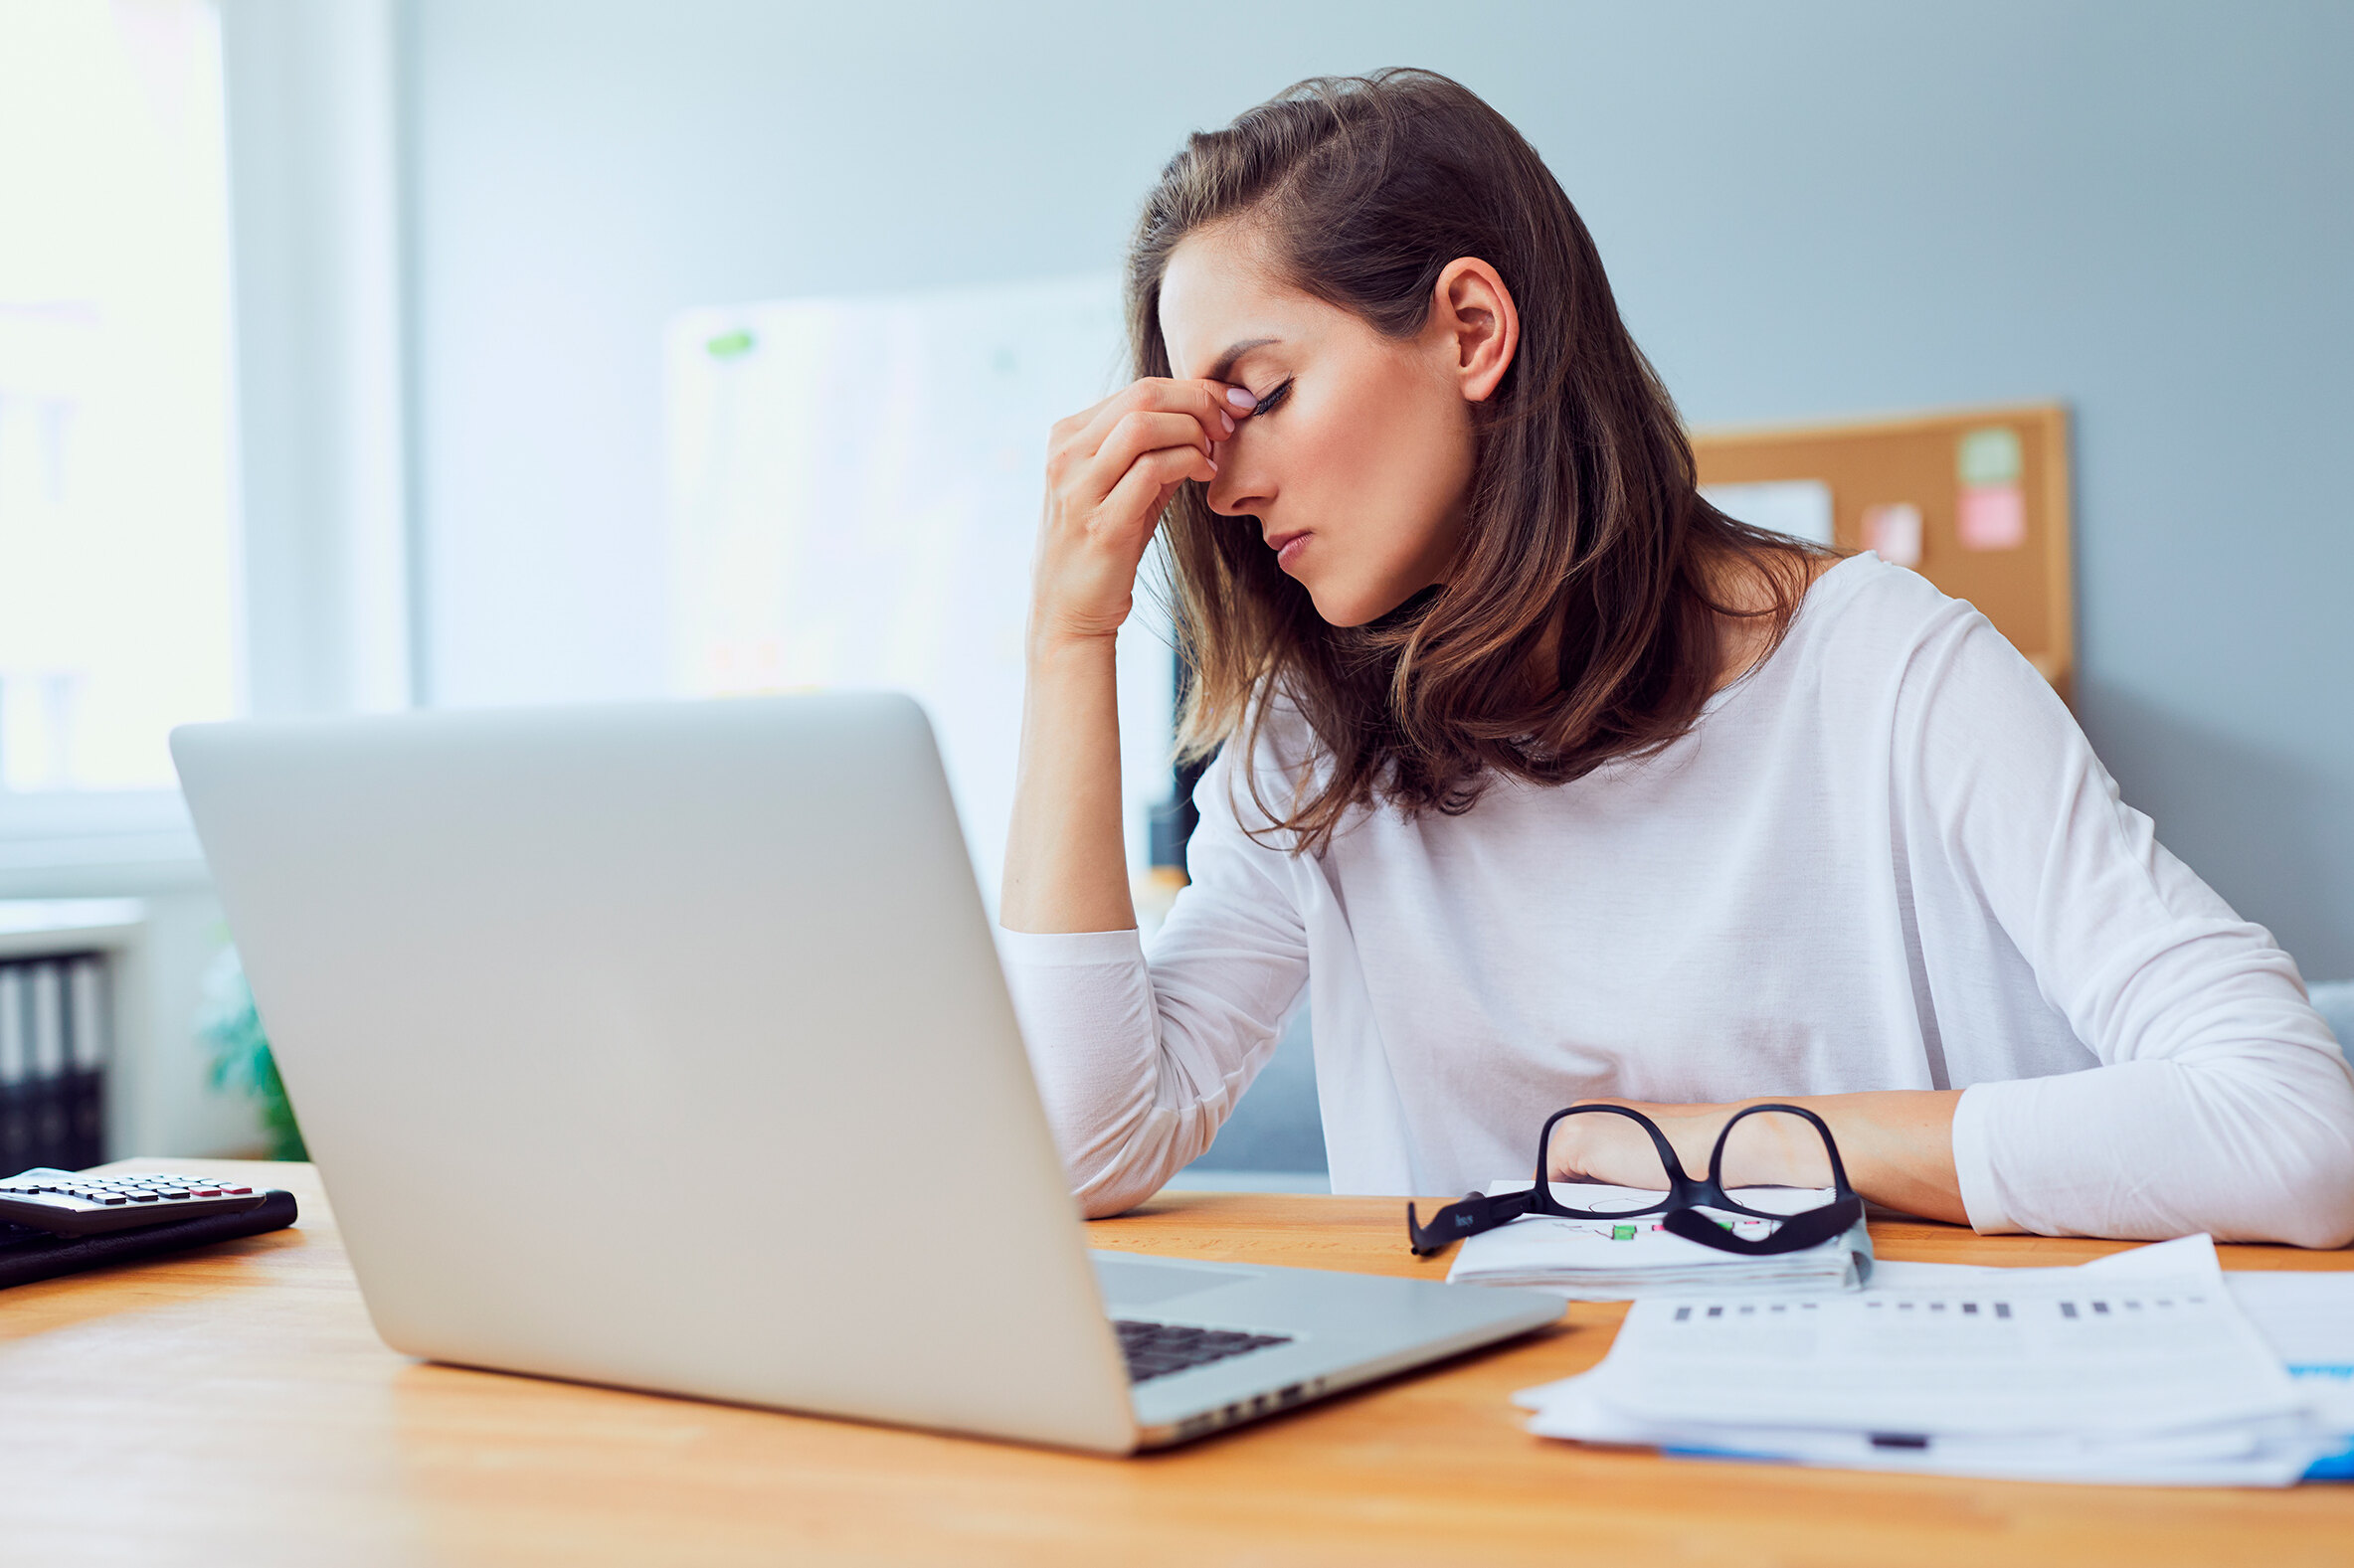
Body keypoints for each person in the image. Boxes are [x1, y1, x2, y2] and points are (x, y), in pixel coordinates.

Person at [996, 69, 2354, 1246]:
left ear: (1473, 329)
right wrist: (1069, 639)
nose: (1224, 487)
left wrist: (1736, 1143)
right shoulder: (1317, 743)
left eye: (1264, 395)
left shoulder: (1884, 669)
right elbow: (1081, 1150)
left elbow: (2293, 1124)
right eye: (1205, 431)